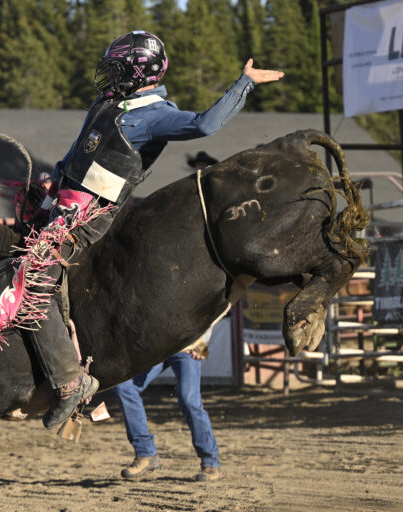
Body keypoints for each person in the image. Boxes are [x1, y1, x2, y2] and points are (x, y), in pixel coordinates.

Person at [21, 30, 284, 430]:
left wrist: (243, 82)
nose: (107, 77)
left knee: (37, 277)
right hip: (60, 207)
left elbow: (205, 125)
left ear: (138, 74)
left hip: (89, 218)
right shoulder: (106, 105)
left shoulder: (155, 115)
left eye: (116, 70)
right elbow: (76, 156)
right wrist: (49, 184)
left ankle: (70, 382)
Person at [114, 331, 222, 482]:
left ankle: (211, 462)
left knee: (189, 400)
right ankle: (146, 453)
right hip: (157, 348)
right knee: (124, 386)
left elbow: (208, 310)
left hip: (187, 347)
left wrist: (202, 343)